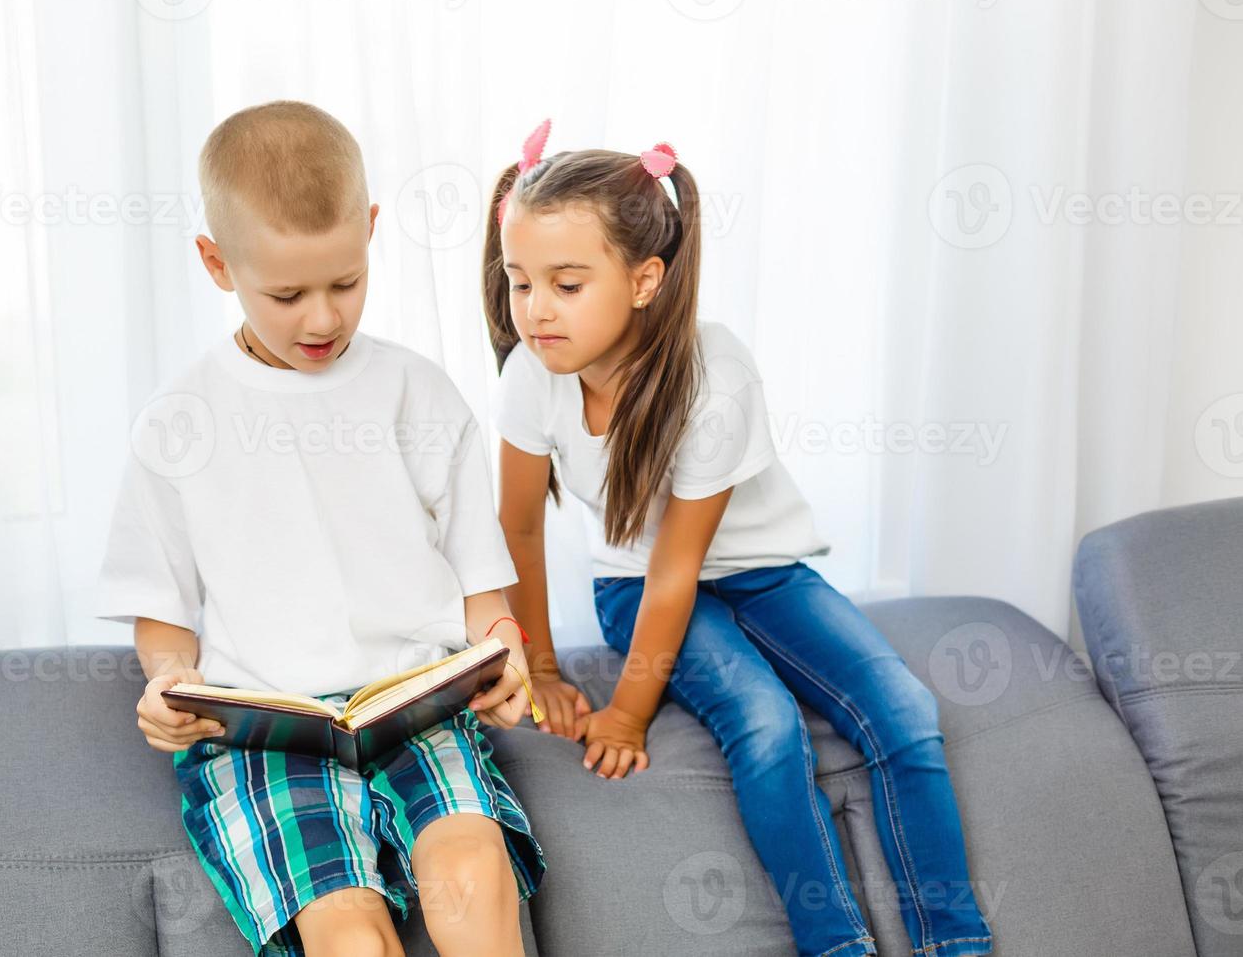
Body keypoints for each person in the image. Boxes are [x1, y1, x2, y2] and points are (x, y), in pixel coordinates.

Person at [482, 119, 992, 957]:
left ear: (645, 280)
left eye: (566, 284)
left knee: (903, 710)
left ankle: (957, 943)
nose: (534, 310)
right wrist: (538, 666)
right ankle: (838, 944)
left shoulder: (713, 376)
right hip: (633, 586)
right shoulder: (528, 377)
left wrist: (628, 714)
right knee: (763, 722)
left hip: (759, 573)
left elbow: (686, 566)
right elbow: (520, 527)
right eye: (519, 281)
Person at [98, 101, 545, 957]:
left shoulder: (418, 394)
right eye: (287, 293)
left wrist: (504, 651)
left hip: (417, 704)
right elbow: (162, 615)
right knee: (348, 934)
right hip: (269, 733)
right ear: (216, 263)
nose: (322, 319)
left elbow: (482, 588)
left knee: (473, 875)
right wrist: (168, 685)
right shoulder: (178, 423)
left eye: (345, 281)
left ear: (371, 230)